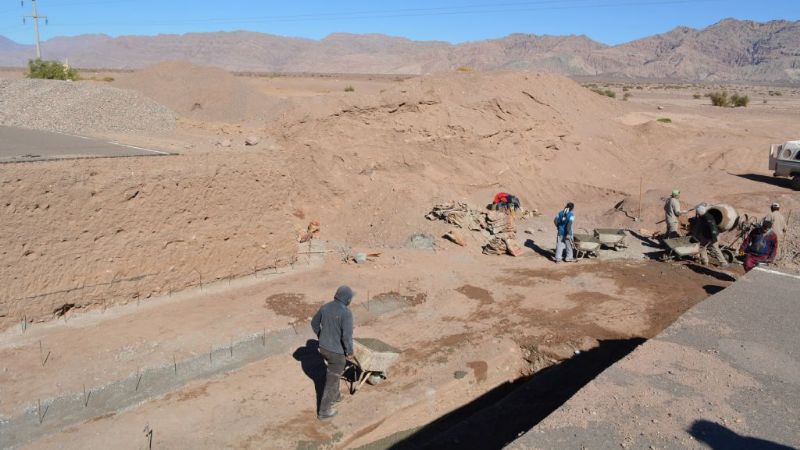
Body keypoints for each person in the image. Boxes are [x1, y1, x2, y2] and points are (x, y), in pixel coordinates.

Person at [310, 286, 355, 420]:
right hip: (336, 353)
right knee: (332, 379)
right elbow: (346, 336)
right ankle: (324, 412)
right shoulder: (346, 313)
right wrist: (350, 352)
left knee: (333, 373)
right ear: (347, 300)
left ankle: (335, 396)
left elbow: (314, 323)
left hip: (323, 348)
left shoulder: (325, 307)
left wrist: (321, 336)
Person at [691, 204, 728, 268]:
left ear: (700, 212)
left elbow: (713, 228)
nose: (697, 214)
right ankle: (705, 261)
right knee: (702, 247)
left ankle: (724, 263)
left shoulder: (708, 218)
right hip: (706, 235)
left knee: (715, 249)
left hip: (711, 236)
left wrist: (713, 239)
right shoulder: (703, 217)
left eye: (698, 213)